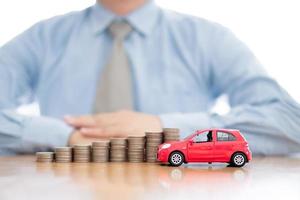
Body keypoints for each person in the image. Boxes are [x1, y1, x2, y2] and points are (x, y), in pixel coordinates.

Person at [0, 0, 299, 156]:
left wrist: (166, 128)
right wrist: (62, 137)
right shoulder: (42, 39)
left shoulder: (208, 38)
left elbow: (288, 121)